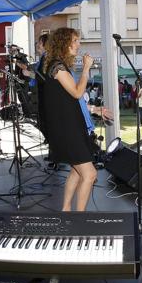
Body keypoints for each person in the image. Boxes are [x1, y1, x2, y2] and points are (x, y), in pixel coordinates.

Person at [42, 28, 112, 211]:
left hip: (70, 127)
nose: (78, 45)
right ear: (64, 43)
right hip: (67, 130)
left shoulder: (60, 66)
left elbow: (70, 101)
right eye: (75, 41)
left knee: (76, 171)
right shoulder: (57, 67)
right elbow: (77, 92)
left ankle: (66, 210)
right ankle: (79, 219)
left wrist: (95, 109)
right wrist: (86, 68)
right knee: (89, 175)